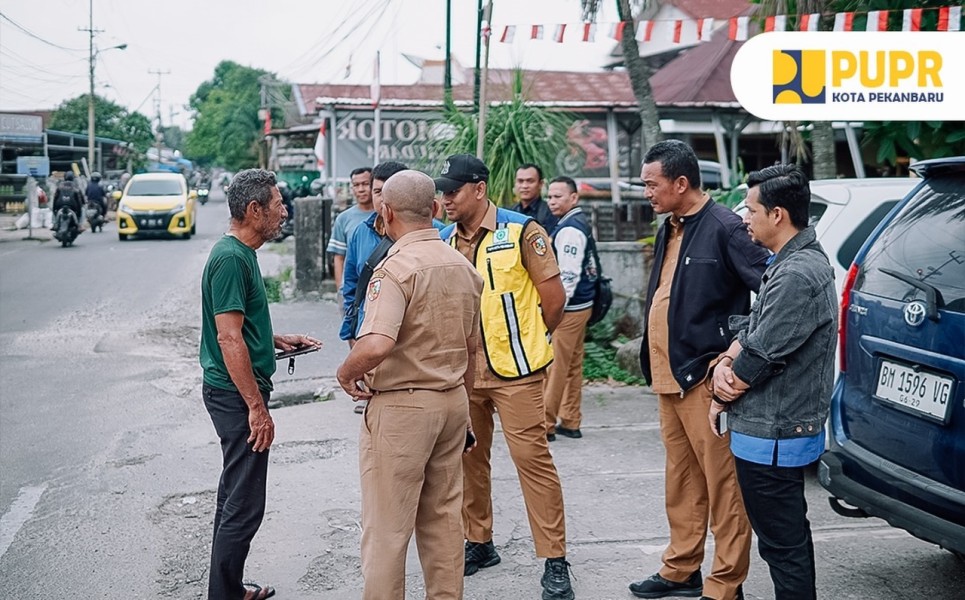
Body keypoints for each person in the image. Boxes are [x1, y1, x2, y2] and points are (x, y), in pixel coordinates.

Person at [628, 140, 769, 600]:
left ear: (681, 183)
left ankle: (726, 585)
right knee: (682, 481)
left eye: (652, 184)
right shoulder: (671, 225)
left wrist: (734, 351)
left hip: (706, 379)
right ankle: (681, 568)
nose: (645, 192)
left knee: (724, 488)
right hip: (669, 377)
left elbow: (773, 291)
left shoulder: (727, 228)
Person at [336, 170, 483, 600]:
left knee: (387, 529)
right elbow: (473, 350)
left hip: (402, 410)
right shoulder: (463, 266)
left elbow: (378, 342)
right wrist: (467, 411)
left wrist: (346, 372)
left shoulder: (395, 269)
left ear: (384, 212)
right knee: (443, 522)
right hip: (452, 403)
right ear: (436, 210)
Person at [436, 153, 574, 600]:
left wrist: (531, 343)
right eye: (442, 192)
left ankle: (554, 558)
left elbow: (555, 300)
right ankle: (480, 542)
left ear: (479, 188)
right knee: (468, 460)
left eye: (453, 191)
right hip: (463, 375)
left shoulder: (522, 232)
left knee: (533, 463)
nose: (445, 199)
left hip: (516, 374)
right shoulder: (443, 239)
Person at [710, 164, 836, 600]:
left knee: (783, 544)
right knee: (782, 538)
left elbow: (764, 350)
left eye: (751, 209)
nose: (744, 217)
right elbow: (754, 329)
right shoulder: (788, 263)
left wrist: (723, 387)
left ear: (778, 214)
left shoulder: (800, 273)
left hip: (777, 432)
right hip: (766, 429)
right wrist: (727, 359)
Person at [199, 168, 322, 600]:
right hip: (234, 396)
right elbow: (228, 336)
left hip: (233, 391)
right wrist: (256, 407)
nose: (284, 211)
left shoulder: (242, 254)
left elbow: (240, 326)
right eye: (277, 204)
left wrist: (272, 338)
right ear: (254, 210)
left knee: (235, 495)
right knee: (245, 504)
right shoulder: (231, 258)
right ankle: (225, 595)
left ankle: (227, 589)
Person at [340, 161, 408, 415]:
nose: (382, 200)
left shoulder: (436, 234)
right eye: (378, 192)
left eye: (389, 192)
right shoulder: (361, 232)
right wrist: (352, 336)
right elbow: (351, 288)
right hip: (372, 337)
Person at [543, 176, 597, 442]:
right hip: (582, 305)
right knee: (573, 365)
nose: (552, 201)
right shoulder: (574, 222)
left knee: (555, 367)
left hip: (570, 308)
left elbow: (568, 275)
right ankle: (571, 420)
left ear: (573, 198)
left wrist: (555, 309)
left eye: (558, 196)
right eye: (550, 196)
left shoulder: (570, 229)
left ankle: (545, 424)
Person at [327, 167, 374, 294]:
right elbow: (339, 257)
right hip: (353, 288)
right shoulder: (343, 219)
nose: (361, 189)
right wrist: (341, 290)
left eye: (365, 184)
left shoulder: (384, 215)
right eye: (356, 185)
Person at [510, 163, 557, 232]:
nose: (524, 186)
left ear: (540, 184)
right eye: (520, 181)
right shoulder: (510, 212)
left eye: (530, 181)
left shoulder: (550, 211)